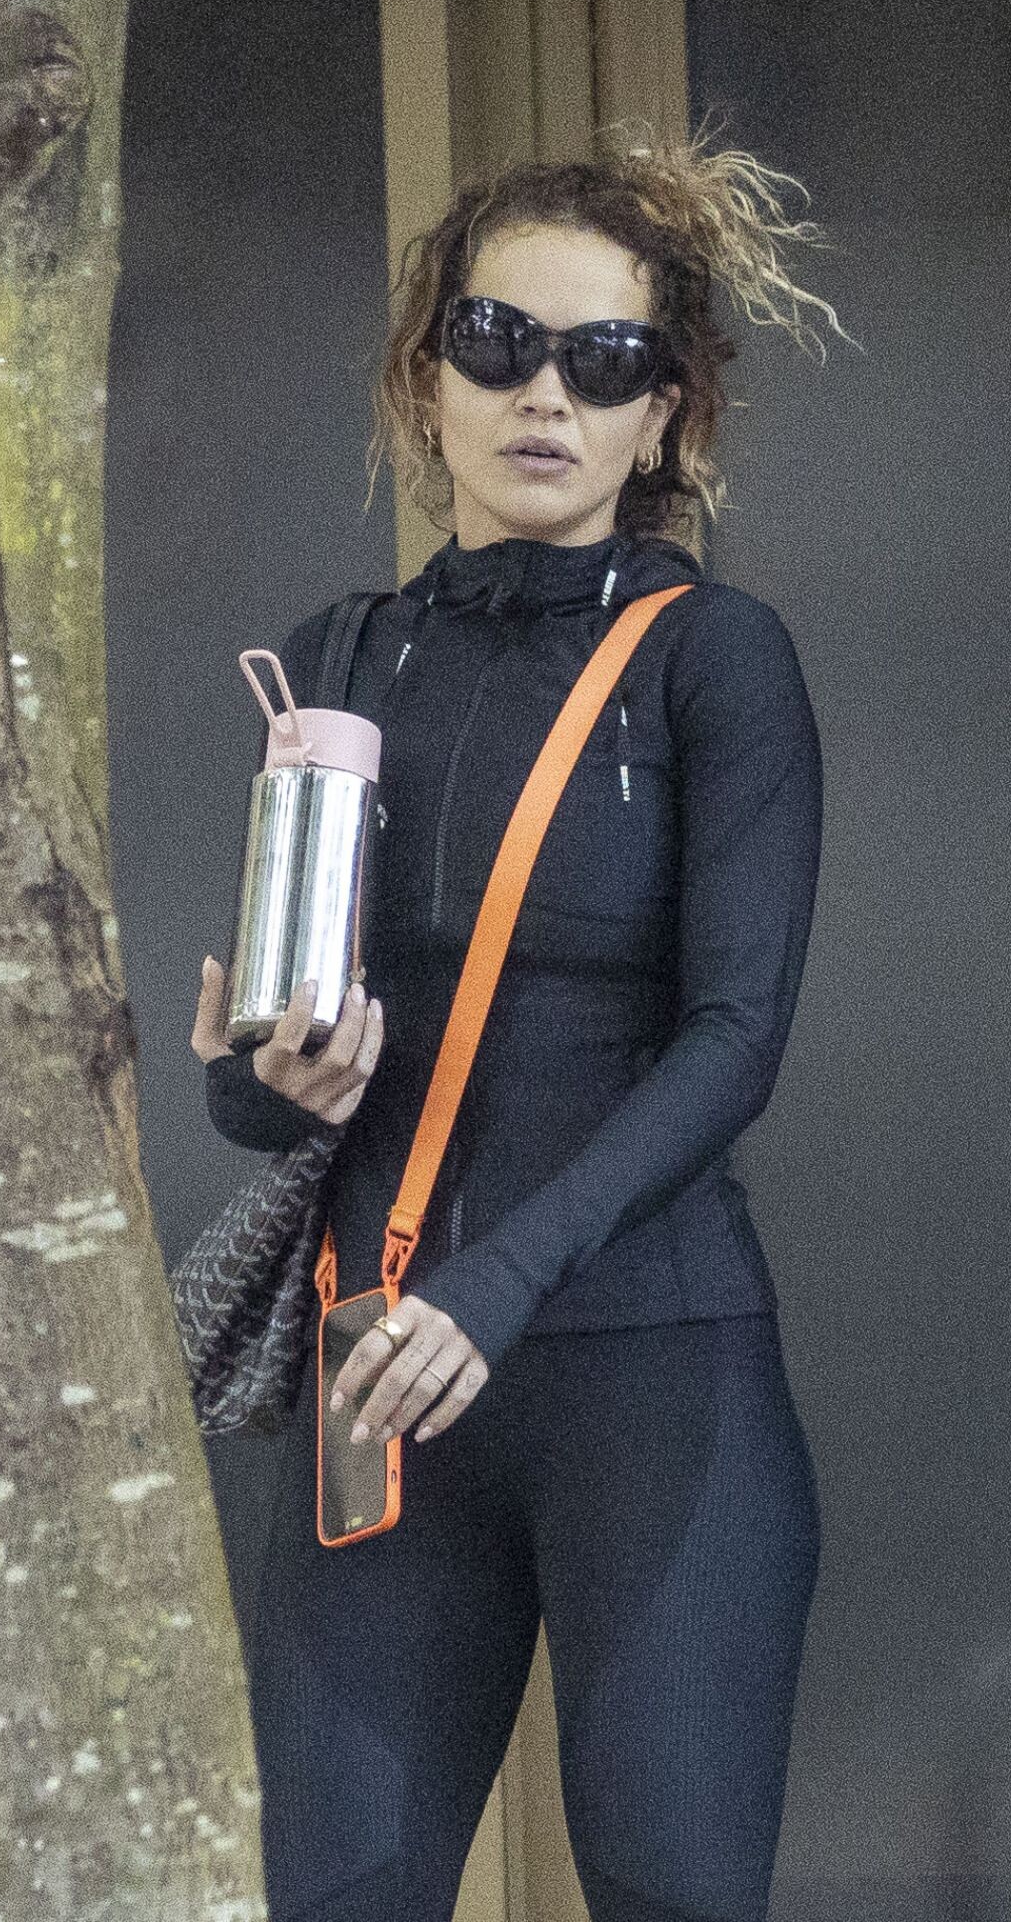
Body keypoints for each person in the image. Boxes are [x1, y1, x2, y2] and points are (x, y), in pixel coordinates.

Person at [190, 122, 848, 1922]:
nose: (544, 393)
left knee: (670, 1890)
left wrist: (500, 1284)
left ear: (664, 415)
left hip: (647, 1374)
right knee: (328, 1893)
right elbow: (278, 1074)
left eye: (605, 359)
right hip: (382, 1378)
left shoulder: (713, 657)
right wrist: (266, 1080)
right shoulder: (342, 655)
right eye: (497, 342)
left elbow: (736, 1038)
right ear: (430, 376)